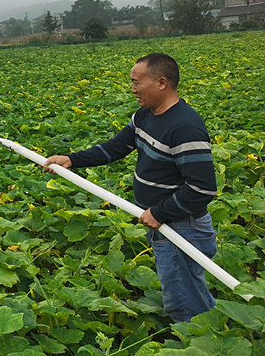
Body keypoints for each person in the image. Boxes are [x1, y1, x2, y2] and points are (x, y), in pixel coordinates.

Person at [43, 53, 218, 322]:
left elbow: (202, 189)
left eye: (137, 83)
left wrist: (160, 212)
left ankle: (198, 338)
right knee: (189, 291)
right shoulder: (144, 116)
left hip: (182, 227)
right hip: (165, 224)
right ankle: (209, 328)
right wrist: (71, 159)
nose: (133, 89)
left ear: (161, 83)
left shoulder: (184, 128)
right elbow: (116, 147)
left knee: (182, 301)